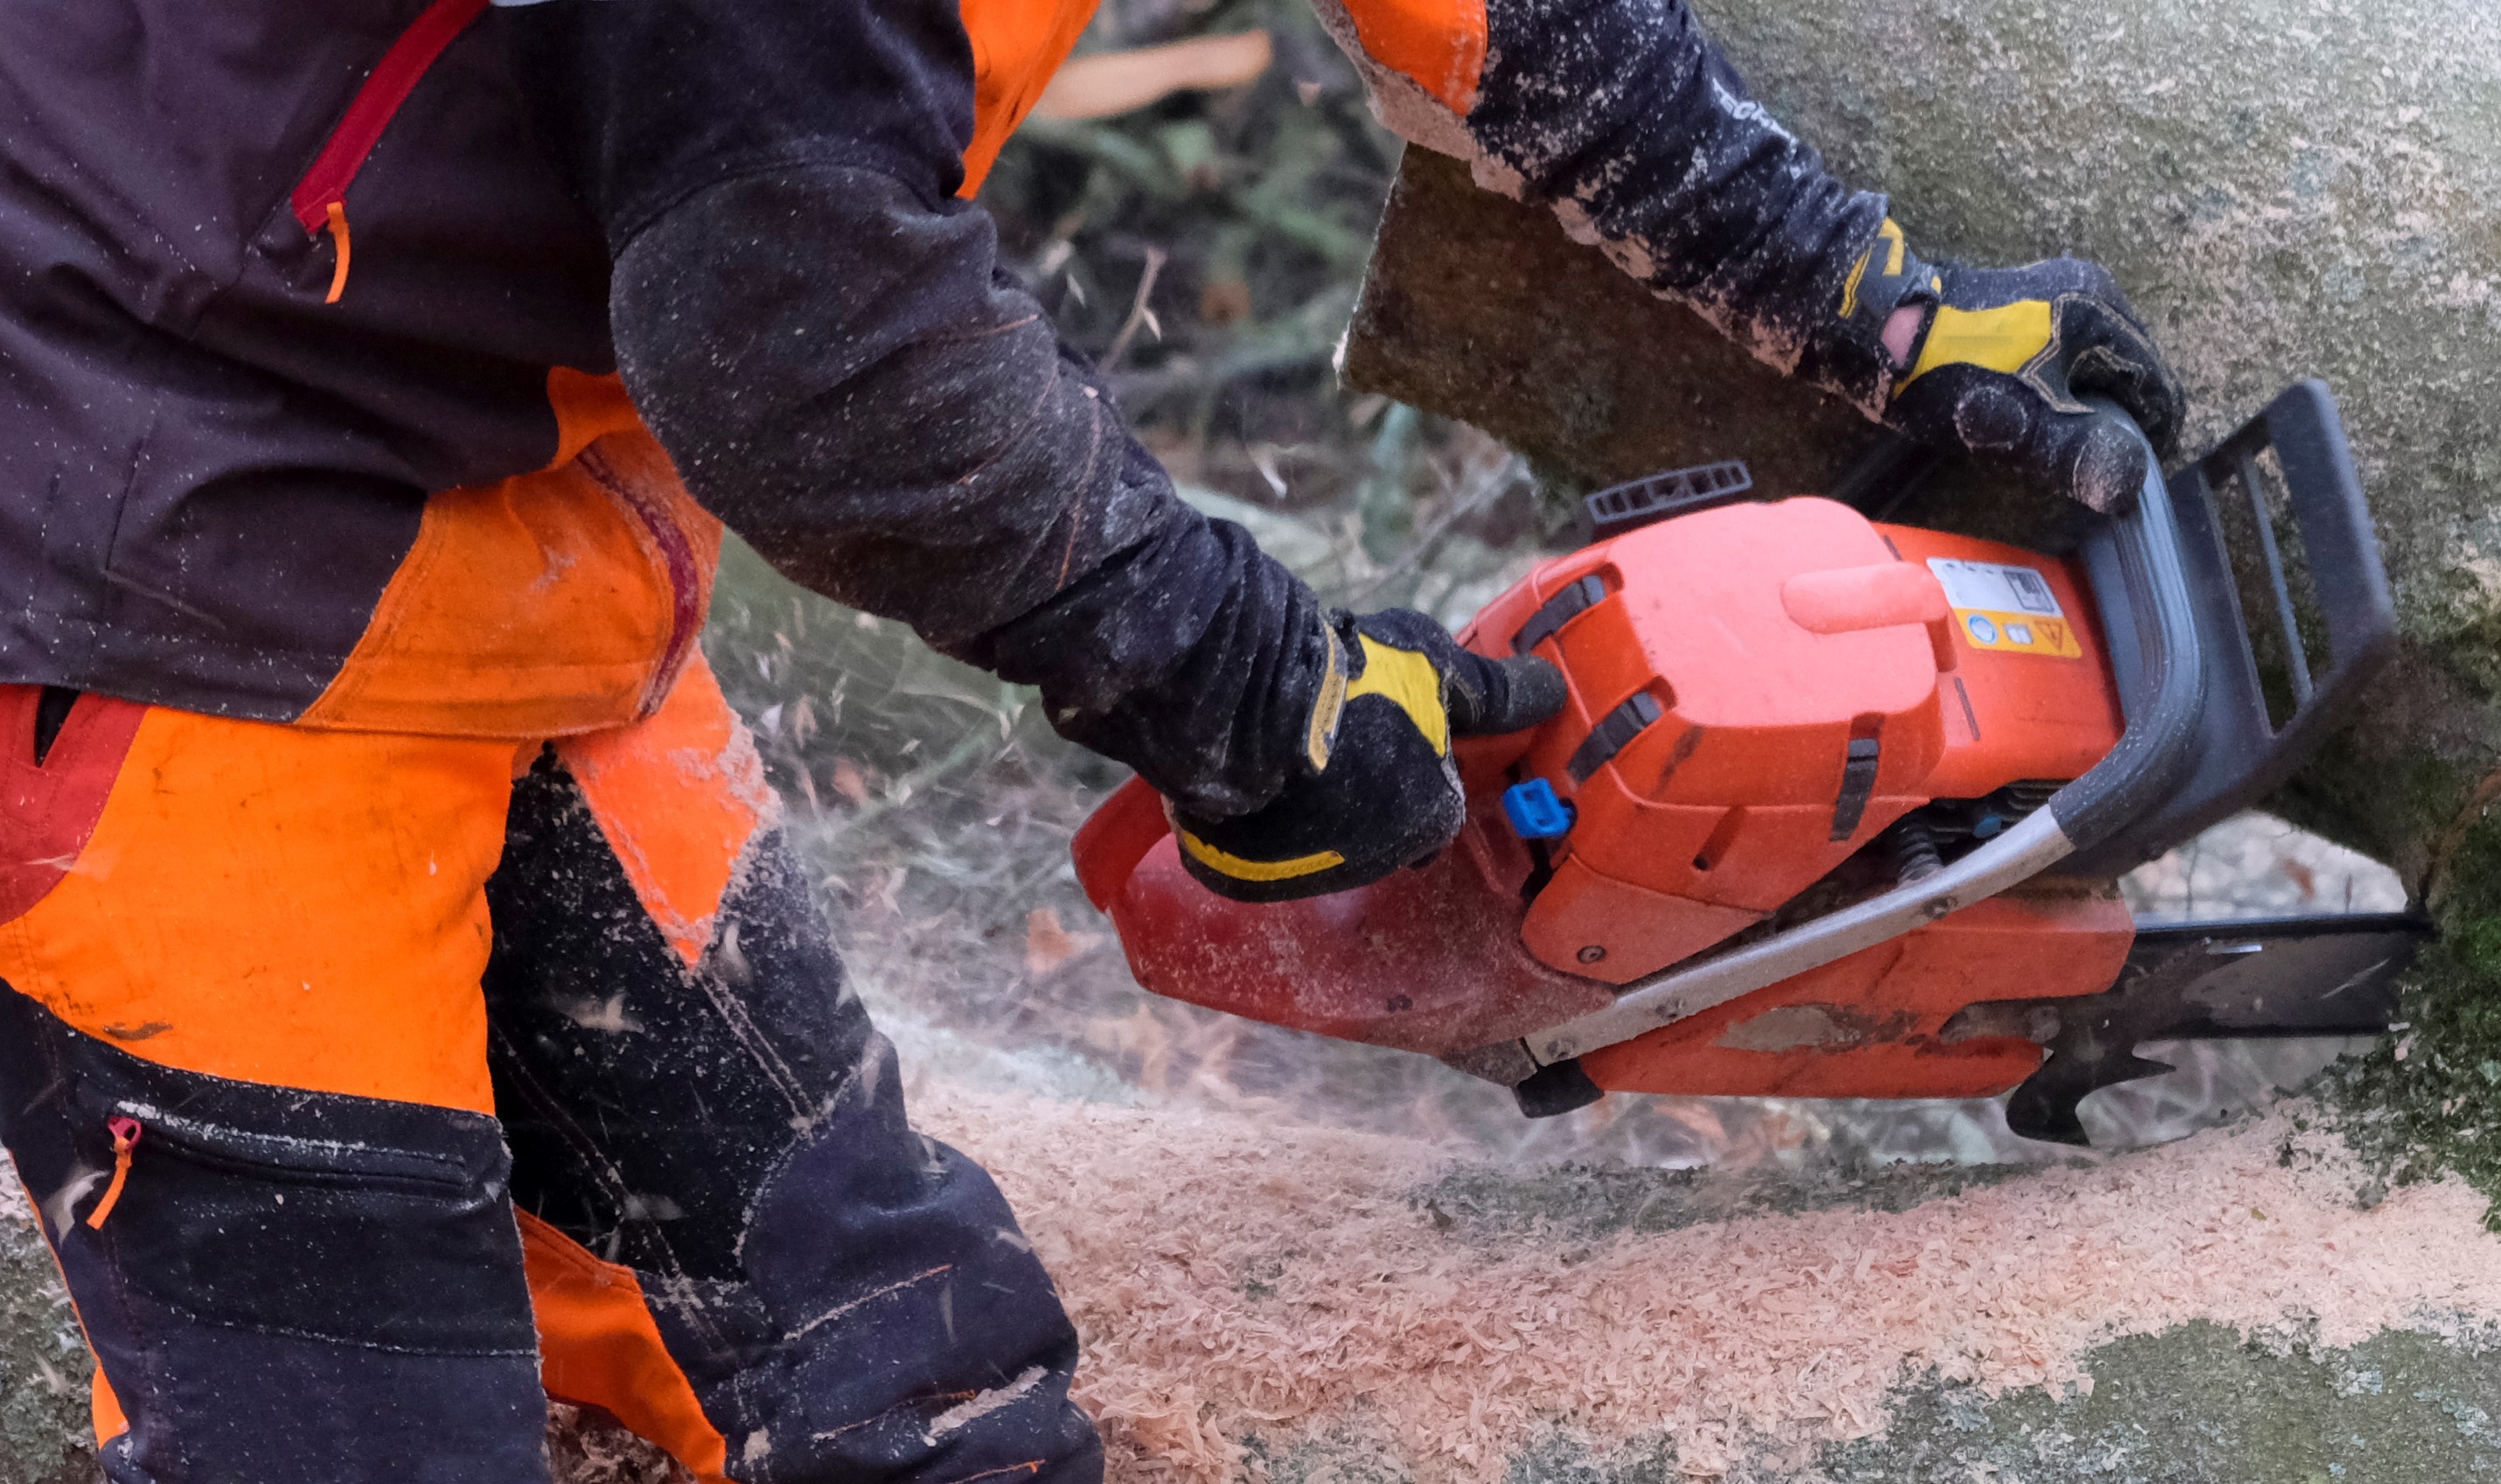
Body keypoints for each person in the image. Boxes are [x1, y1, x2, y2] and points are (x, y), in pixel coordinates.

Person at [0, 0, 2182, 1477]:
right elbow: (813, 359)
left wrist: (1856, 292)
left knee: (911, 1380)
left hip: (510, 567)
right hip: (139, 594)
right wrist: (1243, 683)